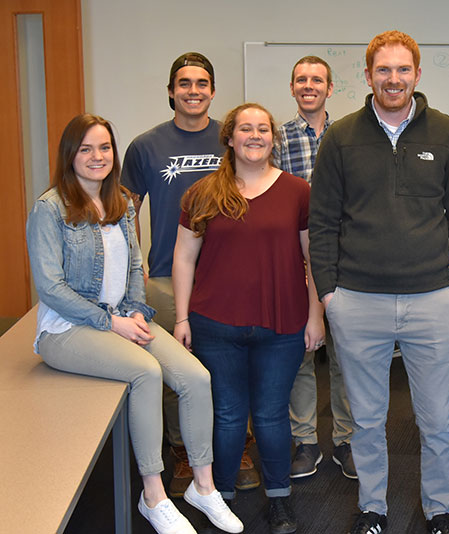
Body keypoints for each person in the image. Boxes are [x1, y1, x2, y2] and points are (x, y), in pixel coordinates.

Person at [26, 113, 243, 534]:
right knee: (146, 373)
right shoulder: (50, 208)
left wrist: (138, 313)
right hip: (66, 329)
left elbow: (133, 270)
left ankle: (203, 485)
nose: (97, 156)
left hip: (121, 318)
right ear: (70, 155)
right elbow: (51, 288)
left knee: (196, 376)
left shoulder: (122, 202)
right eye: (86, 149)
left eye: (104, 147)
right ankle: (153, 495)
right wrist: (112, 322)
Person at [309, 30, 449, 534]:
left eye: (403, 69)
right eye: (383, 70)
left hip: (433, 298)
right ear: (368, 77)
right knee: (366, 419)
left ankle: (440, 508)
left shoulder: (445, 132)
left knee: (437, 421)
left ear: (417, 75)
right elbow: (323, 222)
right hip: (358, 300)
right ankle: (372, 508)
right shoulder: (340, 136)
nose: (393, 79)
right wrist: (329, 294)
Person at [173, 103, 324, 534]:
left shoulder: (298, 191)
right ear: (230, 138)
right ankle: (221, 497)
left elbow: (314, 260)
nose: (254, 136)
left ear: (273, 138)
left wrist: (316, 317)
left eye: (262, 129)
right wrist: (181, 318)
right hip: (215, 324)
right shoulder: (203, 192)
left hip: (283, 325)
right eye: (245, 129)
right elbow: (184, 257)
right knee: (229, 415)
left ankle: (279, 499)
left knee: (273, 415)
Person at [121, 51, 259, 496]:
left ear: (212, 91)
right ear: (170, 92)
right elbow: (125, 209)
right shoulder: (146, 146)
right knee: (173, 370)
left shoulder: (230, 141)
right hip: (164, 275)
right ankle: (181, 449)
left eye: (202, 83)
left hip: (226, 276)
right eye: (184, 83)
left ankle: (236, 444)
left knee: (233, 364)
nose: (193, 91)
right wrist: (128, 265)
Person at [273, 55, 356, 481]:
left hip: (347, 261)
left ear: (329, 88)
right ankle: (305, 440)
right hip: (293, 259)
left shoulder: (349, 136)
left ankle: (345, 440)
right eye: (301, 79)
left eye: (317, 80)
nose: (309, 86)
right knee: (300, 354)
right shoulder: (276, 139)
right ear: (292, 88)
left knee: (346, 355)